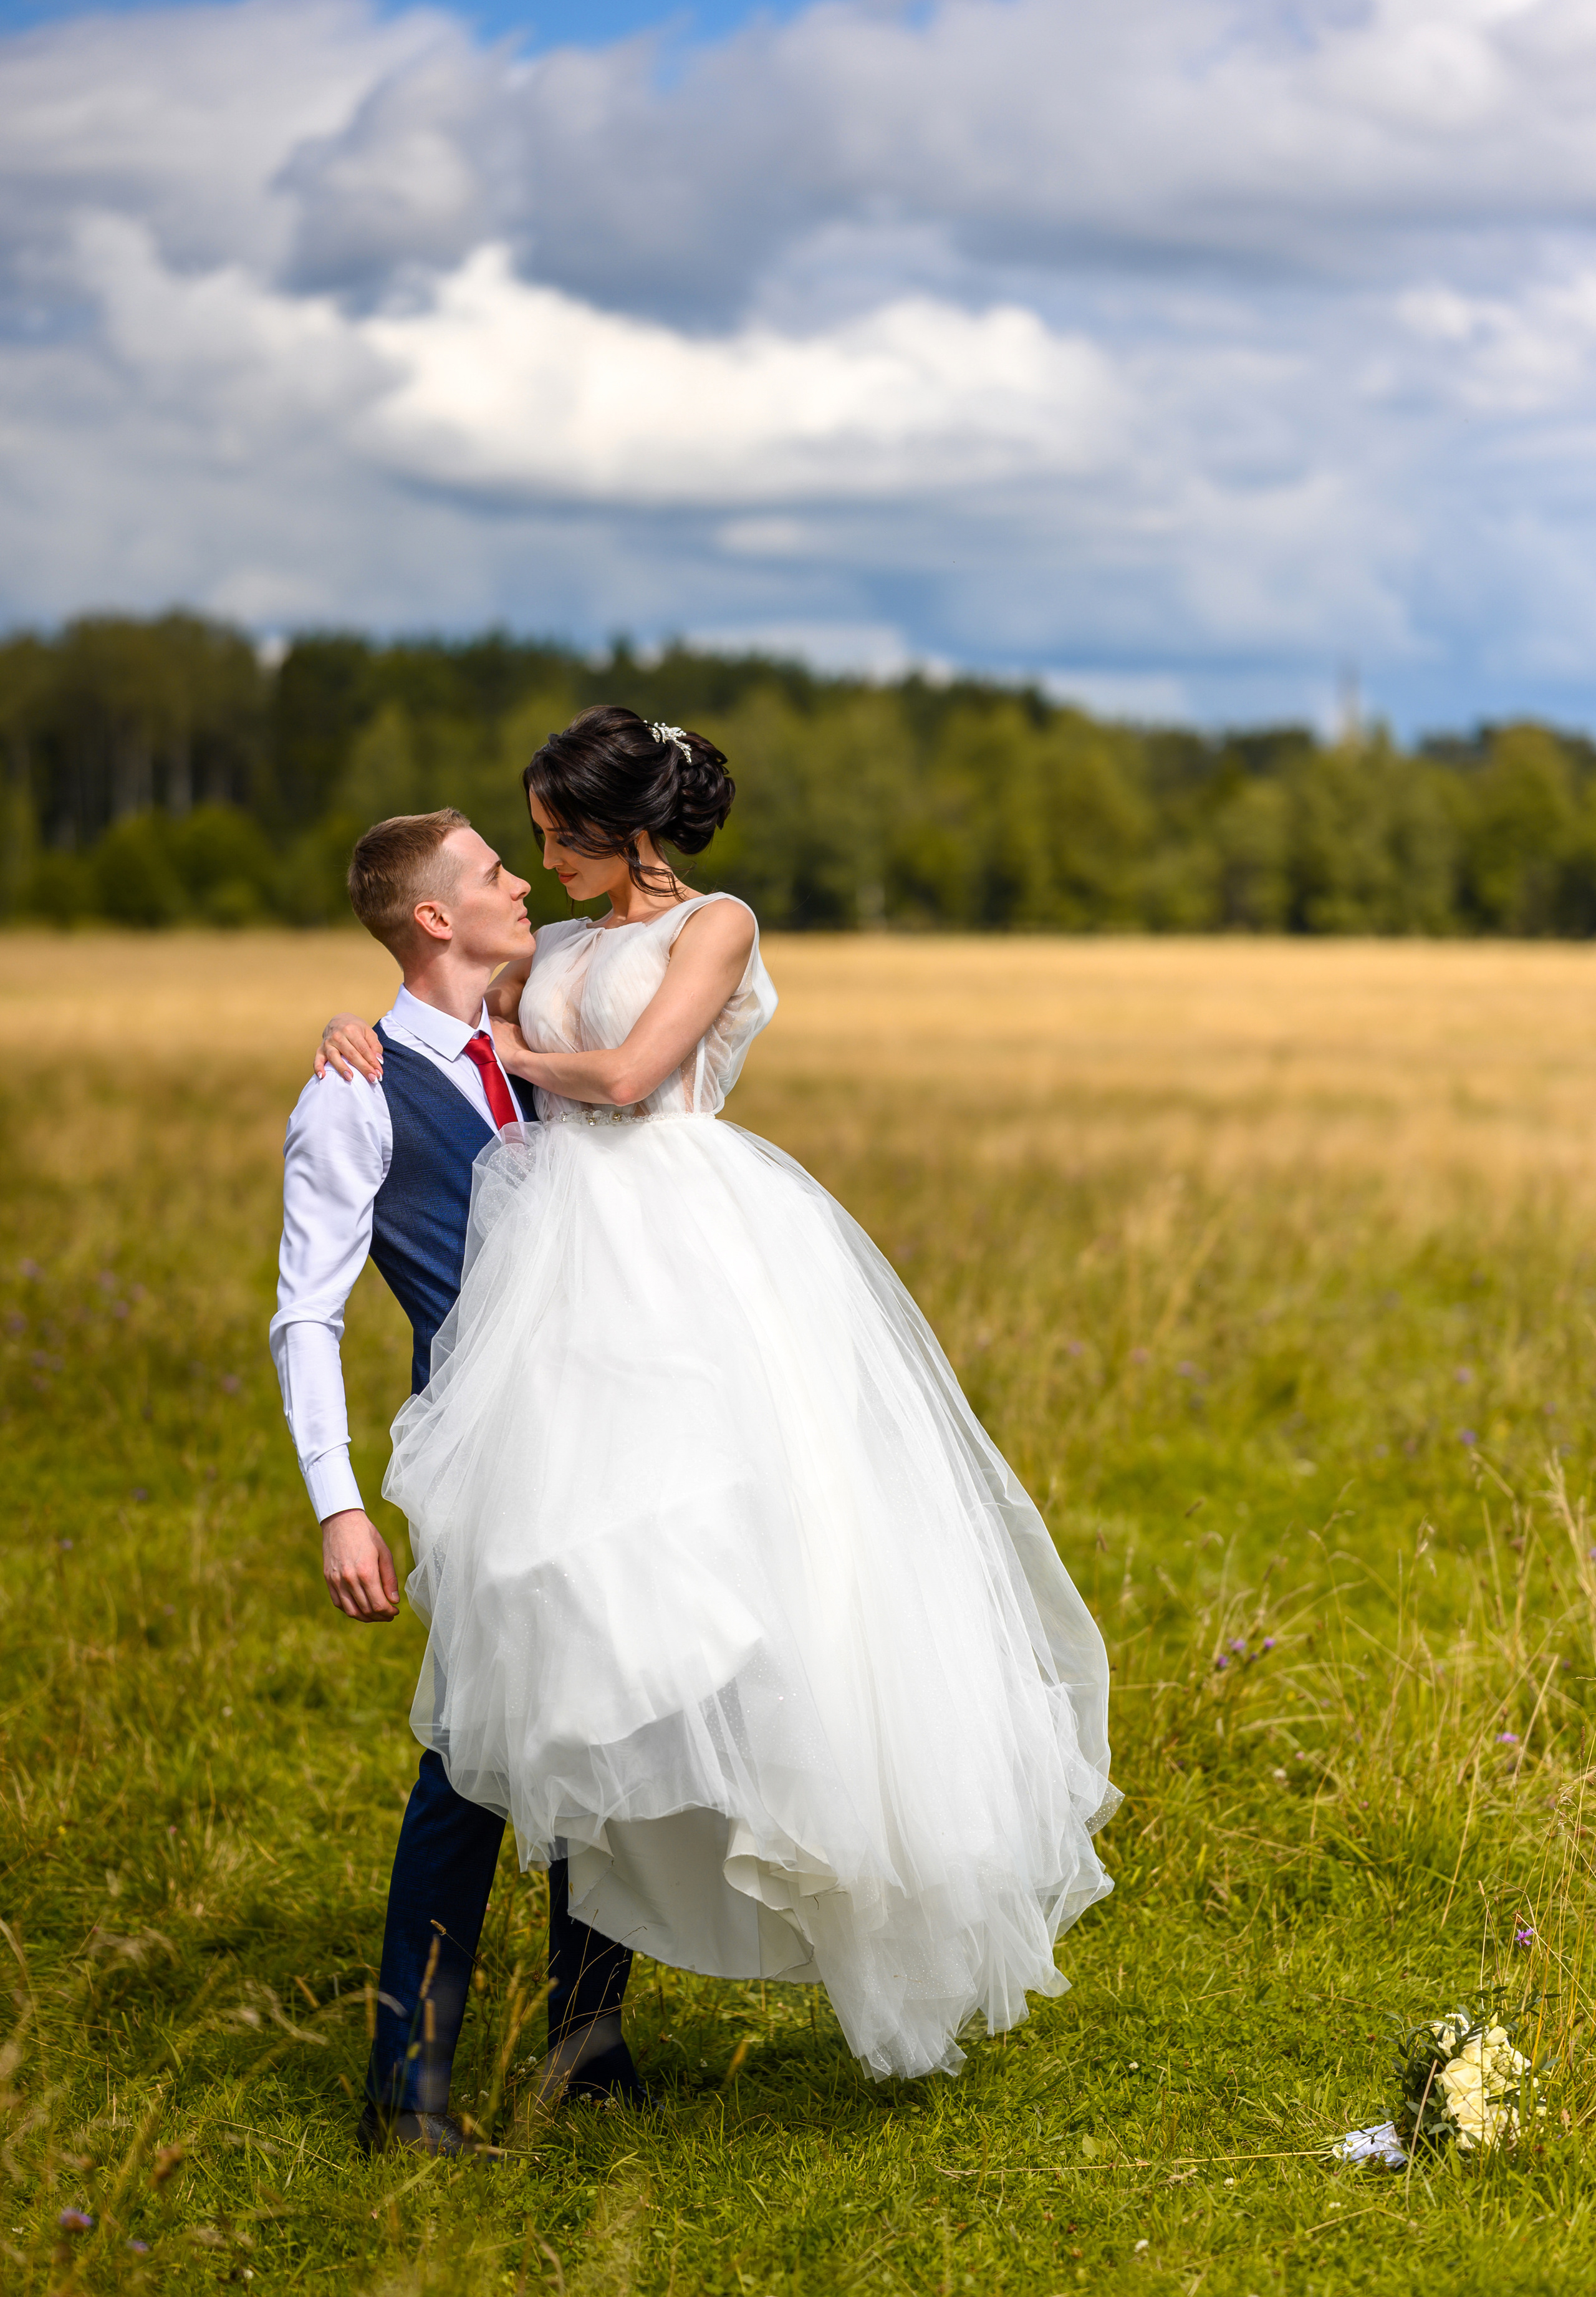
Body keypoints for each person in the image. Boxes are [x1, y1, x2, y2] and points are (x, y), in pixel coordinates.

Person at [317, 706, 1120, 2086]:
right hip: (555, 1276)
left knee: (721, 1611)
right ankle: (551, 2032)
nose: (539, 858)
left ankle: (631, 1983)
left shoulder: (718, 926)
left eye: (553, 831)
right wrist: (366, 1034)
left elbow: (632, 1080)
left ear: (619, 824)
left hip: (685, 1260)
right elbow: (445, 1016)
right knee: (581, 1619)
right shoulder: (550, 951)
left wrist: (503, 1061)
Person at [269, 806, 643, 2162]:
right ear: (432, 916)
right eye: (492, 869)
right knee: (475, 1758)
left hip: (611, 1431)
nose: (516, 881)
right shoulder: (353, 1089)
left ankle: (591, 2042)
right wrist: (337, 1499)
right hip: (486, 1453)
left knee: (604, 1721)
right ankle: (407, 2089)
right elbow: (304, 1312)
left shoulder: (540, 1034)